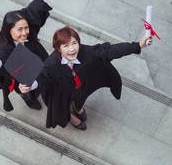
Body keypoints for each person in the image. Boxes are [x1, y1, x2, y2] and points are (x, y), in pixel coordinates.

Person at [20, 26, 152, 130]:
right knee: (61, 107)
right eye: (66, 46)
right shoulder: (51, 64)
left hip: (79, 85)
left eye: (74, 43)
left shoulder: (85, 52)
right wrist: (31, 86)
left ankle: (77, 106)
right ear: (58, 49)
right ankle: (71, 116)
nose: (72, 49)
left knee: (81, 95)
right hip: (60, 92)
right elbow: (43, 77)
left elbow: (109, 50)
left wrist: (138, 45)